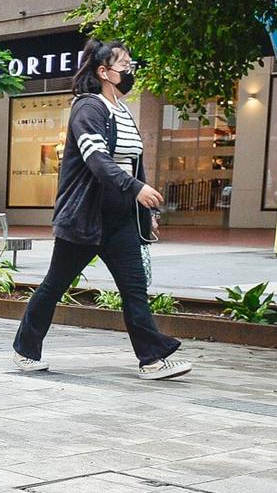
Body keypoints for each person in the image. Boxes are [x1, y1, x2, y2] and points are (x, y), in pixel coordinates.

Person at [11, 39, 188, 381]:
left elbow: (134, 165)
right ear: (104, 72)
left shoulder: (122, 111)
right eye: (125, 66)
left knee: (134, 287)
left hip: (120, 218)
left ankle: (151, 359)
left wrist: (145, 213)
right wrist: (137, 189)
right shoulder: (88, 108)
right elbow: (97, 160)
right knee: (55, 284)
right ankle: (25, 349)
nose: (131, 71)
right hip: (85, 217)